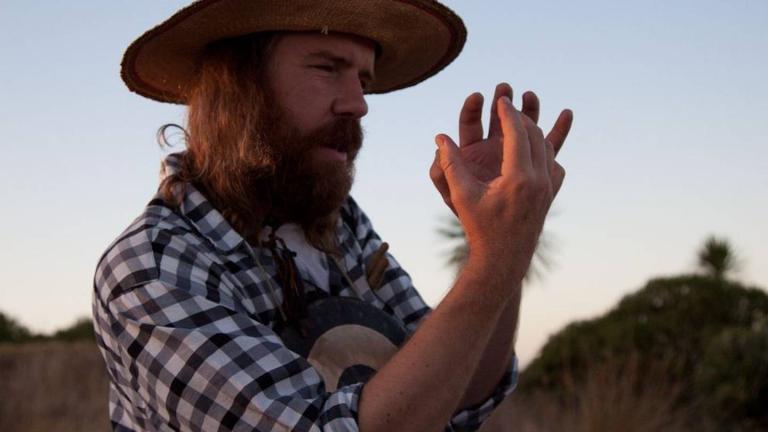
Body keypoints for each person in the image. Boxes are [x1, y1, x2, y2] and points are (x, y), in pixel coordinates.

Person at [93, 1, 573, 431]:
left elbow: (455, 393)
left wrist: (505, 240)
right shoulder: (154, 269)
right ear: (238, 88)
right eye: (327, 68)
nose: (358, 104)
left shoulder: (341, 225)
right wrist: (494, 262)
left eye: (363, 80)